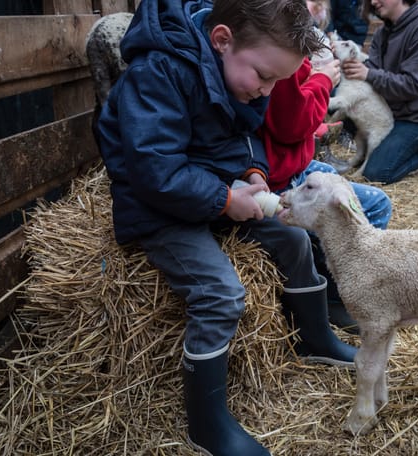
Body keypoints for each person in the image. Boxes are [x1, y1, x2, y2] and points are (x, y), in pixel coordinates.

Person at [94, 0, 357, 454]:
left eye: (276, 80)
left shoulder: (236, 73)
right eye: (264, 77)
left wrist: (253, 173)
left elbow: (243, 136)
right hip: (158, 210)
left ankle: (314, 338)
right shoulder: (158, 73)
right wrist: (224, 199)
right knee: (221, 293)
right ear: (221, 40)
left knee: (294, 238)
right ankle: (207, 422)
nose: (266, 90)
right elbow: (155, 170)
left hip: (213, 193)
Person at [259, 46, 393, 332]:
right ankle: (335, 297)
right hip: (281, 173)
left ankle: (350, 291)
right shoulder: (279, 55)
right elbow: (290, 124)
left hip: (298, 162)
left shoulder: (285, 51)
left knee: (374, 199)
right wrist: (321, 81)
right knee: (353, 204)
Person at [340, 0, 418, 184]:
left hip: (414, 117)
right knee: (343, 115)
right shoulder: (382, 32)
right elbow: (373, 73)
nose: (373, 2)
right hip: (387, 110)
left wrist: (368, 73)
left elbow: (413, 85)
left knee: (376, 174)